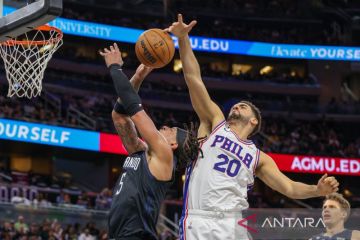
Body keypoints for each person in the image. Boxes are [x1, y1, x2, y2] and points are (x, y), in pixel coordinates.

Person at [166, 14, 340, 240]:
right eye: (238, 104)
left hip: (233, 223)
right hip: (200, 219)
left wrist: (317, 191)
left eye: (245, 106)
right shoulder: (214, 122)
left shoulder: (259, 157)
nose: (238, 105)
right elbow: (193, 78)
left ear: (254, 121)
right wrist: (183, 39)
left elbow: (288, 187)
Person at [99, 43, 198, 240]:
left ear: (173, 145)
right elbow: (120, 116)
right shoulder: (142, 152)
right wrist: (138, 77)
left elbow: (134, 109)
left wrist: (115, 67)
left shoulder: (164, 155)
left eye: (171, 130)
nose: (166, 127)